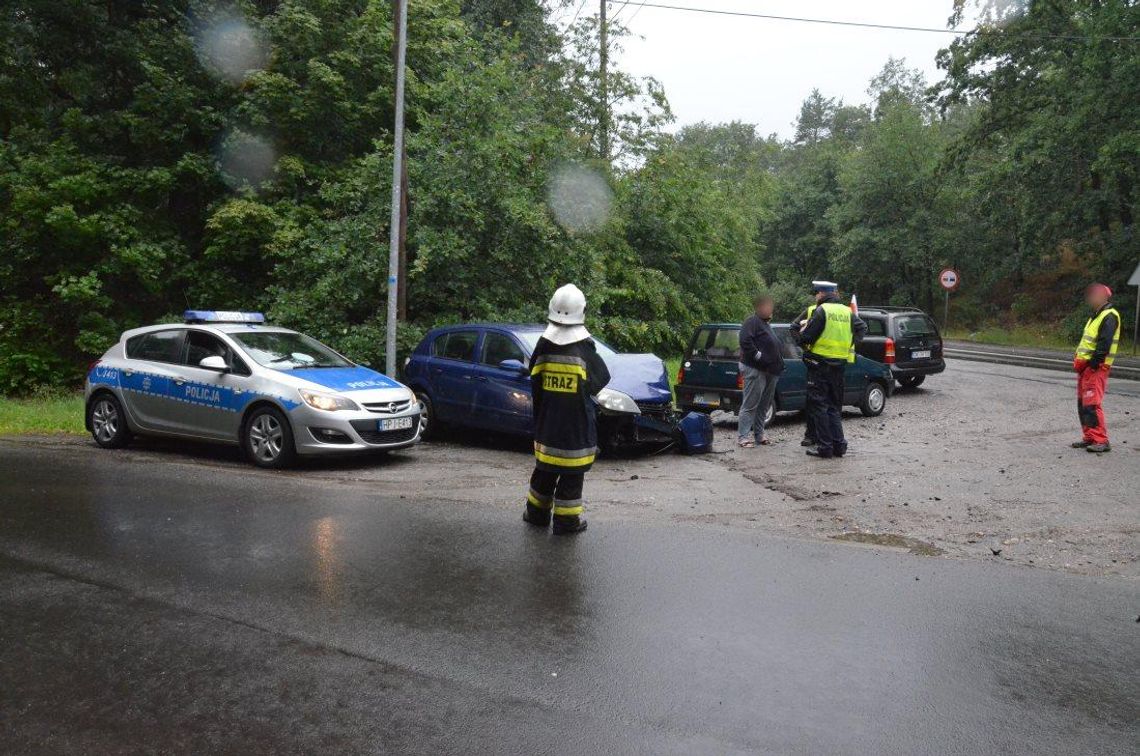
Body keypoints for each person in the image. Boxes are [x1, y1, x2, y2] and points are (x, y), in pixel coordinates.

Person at [523, 283, 611, 535]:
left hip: (547, 425)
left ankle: (536, 514)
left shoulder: (543, 346)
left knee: (544, 473)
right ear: (582, 311)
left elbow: (534, 380)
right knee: (571, 478)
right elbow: (600, 380)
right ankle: (566, 522)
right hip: (575, 429)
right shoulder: (584, 349)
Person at [795, 280, 866, 459]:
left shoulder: (822, 311)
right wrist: (851, 344)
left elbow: (807, 337)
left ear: (822, 293)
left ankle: (825, 447)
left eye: (817, 293)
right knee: (834, 406)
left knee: (819, 406)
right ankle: (839, 445)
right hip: (839, 365)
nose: (816, 296)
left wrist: (801, 336)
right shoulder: (846, 311)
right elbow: (862, 328)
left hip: (819, 365)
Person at [1072, 283, 1121, 454]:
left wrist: (1093, 364)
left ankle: (1101, 440)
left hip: (1096, 368)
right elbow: (1087, 342)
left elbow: (1104, 344)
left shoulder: (1109, 316)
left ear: (1102, 297)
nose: (1090, 299)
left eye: (1093, 295)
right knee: (1083, 404)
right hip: (1085, 368)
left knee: (1092, 403)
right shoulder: (1095, 316)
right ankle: (1090, 437)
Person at [737, 294, 785, 447]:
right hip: (755, 369)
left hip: (771, 371)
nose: (770, 309)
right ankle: (743, 437)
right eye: (767, 306)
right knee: (750, 403)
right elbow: (745, 340)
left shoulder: (766, 325)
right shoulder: (752, 322)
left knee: (764, 404)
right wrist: (759, 356)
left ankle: (759, 434)